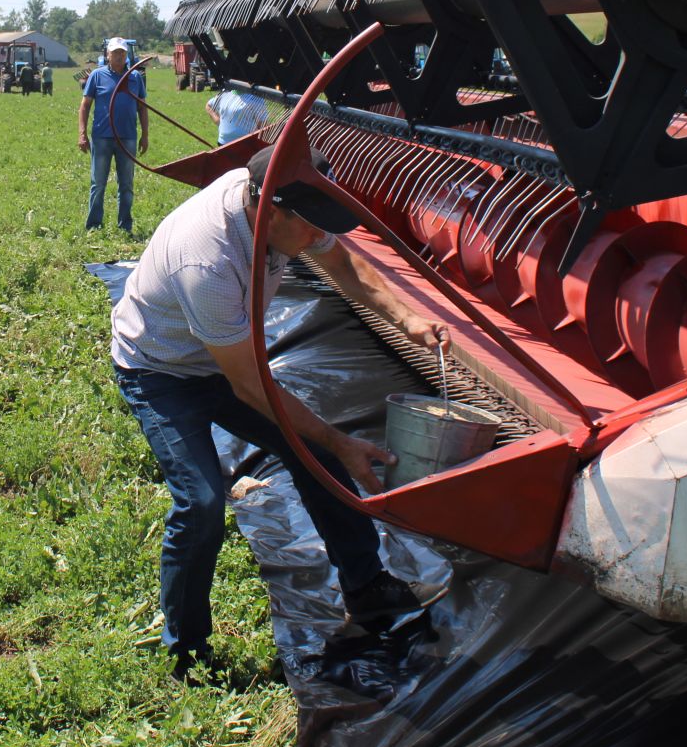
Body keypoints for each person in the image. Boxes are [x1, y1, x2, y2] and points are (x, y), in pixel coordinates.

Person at [111, 145, 448, 678]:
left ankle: (366, 586)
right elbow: (249, 385)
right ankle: (185, 650)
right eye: (311, 229)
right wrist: (339, 440)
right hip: (162, 370)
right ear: (268, 210)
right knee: (200, 502)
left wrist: (406, 318)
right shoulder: (208, 258)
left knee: (311, 446)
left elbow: (341, 262)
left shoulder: (283, 209)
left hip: (220, 360)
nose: (318, 238)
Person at [78, 36, 148, 233]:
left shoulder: (135, 78)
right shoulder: (97, 76)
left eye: (122, 53)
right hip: (102, 138)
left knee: (126, 184)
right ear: (107, 55)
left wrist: (145, 135)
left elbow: (142, 108)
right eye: (115, 52)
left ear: (127, 55)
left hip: (128, 137)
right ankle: (94, 225)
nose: (119, 56)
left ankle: (125, 225)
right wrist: (82, 134)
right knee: (98, 184)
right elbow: (85, 106)